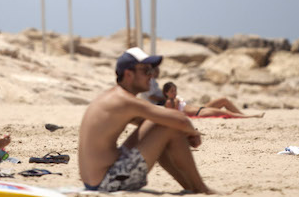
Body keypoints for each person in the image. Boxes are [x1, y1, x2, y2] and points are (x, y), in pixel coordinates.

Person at [78, 47, 213, 193]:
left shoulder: (113, 97)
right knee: (168, 127)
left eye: (152, 71)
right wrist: (193, 133)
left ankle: (191, 187)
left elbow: (160, 120)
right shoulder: (124, 100)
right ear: (129, 74)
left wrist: (184, 131)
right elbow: (181, 121)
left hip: (97, 179)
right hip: (107, 181)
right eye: (146, 71)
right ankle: (201, 188)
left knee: (163, 123)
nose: (152, 76)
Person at [163, 82, 264, 119]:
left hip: (201, 108)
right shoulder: (170, 102)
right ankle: (251, 116)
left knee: (224, 100)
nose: (174, 93)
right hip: (199, 112)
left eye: (175, 90)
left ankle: (242, 114)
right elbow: (174, 113)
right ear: (166, 93)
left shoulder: (174, 100)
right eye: (172, 91)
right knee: (227, 113)